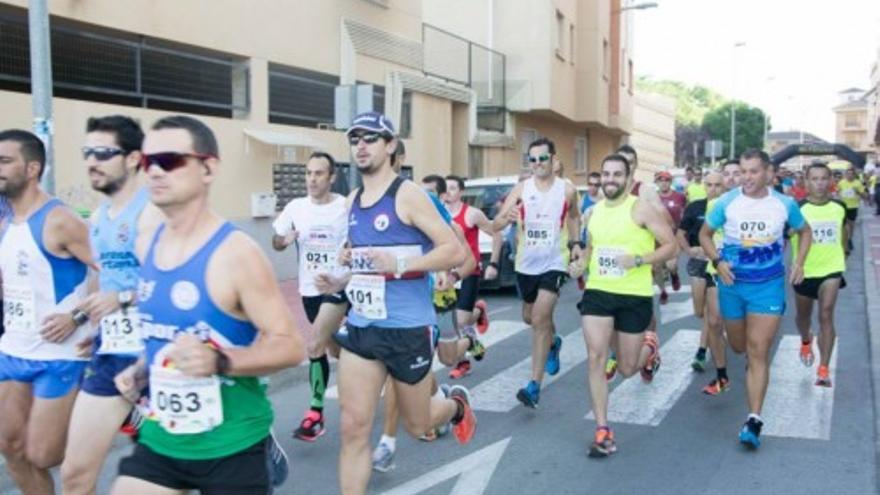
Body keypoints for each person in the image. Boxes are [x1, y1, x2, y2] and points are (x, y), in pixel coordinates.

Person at [110, 115, 305, 494]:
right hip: (161, 437)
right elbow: (168, 331)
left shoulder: (236, 254)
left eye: (169, 160)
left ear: (208, 168)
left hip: (231, 445)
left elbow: (290, 345)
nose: (155, 172)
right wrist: (141, 368)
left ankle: (267, 451)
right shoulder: (145, 242)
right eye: (147, 162)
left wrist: (220, 361)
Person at [328, 112, 476, 494]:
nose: (361, 145)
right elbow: (366, 260)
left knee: (418, 424)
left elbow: (454, 251)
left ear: (390, 145)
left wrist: (402, 263)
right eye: (355, 138)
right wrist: (342, 275)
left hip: (408, 328)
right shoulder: (352, 201)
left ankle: (456, 405)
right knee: (353, 428)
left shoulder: (408, 195)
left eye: (370, 138)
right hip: (363, 326)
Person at [61, 116, 163, 495]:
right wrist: (96, 325)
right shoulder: (99, 217)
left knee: (167, 476)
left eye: (104, 153)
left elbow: (172, 285)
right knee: (73, 473)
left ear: (134, 158)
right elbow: (105, 280)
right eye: (88, 152)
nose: (92, 161)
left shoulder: (152, 211)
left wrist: (119, 299)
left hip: (156, 354)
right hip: (112, 349)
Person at [0, 129, 93, 495]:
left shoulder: (60, 219)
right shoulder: (5, 220)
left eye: (5, 161)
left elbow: (116, 273)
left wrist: (79, 317)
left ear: (33, 168)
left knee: (43, 454)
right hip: (13, 349)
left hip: (60, 355)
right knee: (10, 447)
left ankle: (115, 413)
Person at [699, 148, 811, 449]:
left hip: (768, 288)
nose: (746, 178)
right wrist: (718, 261)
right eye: (743, 171)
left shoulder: (785, 204)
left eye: (753, 171)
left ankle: (753, 420)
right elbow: (705, 234)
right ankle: (748, 365)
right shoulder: (727, 202)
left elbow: (805, 232)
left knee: (758, 350)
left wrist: (799, 262)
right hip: (732, 286)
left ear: (768, 173)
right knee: (739, 347)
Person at [577, 153, 677, 457]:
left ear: (629, 178)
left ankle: (650, 345)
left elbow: (671, 245)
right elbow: (592, 249)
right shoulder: (593, 212)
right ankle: (602, 428)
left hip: (633, 295)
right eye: (605, 174)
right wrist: (580, 262)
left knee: (628, 368)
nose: (609, 180)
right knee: (595, 356)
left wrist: (639, 260)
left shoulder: (641, 209)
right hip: (598, 291)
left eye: (616, 175)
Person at [493, 137, 582, 409]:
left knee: (541, 317)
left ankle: (534, 385)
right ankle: (553, 342)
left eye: (542, 158)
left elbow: (575, 216)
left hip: (554, 262)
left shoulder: (567, 189)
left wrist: (576, 244)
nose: (537, 164)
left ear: (553, 160)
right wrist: (505, 219)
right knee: (530, 317)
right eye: (532, 159)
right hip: (526, 264)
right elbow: (496, 224)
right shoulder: (522, 188)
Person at [272, 151, 350, 442]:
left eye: (318, 173)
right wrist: (284, 240)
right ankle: (367, 369)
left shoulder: (345, 207)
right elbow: (276, 241)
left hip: (338, 287)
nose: (312, 179)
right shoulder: (295, 207)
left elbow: (359, 238)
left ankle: (315, 414)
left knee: (314, 343)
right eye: (308, 173)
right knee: (334, 350)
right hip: (309, 291)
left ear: (331, 177)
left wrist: (349, 254)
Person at [792, 163, 848, 387]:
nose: (820, 183)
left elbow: (844, 235)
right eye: (814, 179)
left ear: (830, 181)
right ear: (806, 182)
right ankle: (806, 340)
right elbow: (786, 235)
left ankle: (823, 369)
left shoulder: (839, 207)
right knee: (803, 317)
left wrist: (842, 258)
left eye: (824, 178)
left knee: (826, 314)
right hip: (805, 271)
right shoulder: (797, 209)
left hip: (831, 269)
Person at [444, 174, 500, 378]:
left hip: (469, 271)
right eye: (445, 189)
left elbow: (497, 232)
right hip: (448, 273)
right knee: (453, 322)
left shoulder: (472, 214)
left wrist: (493, 262)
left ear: (460, 192)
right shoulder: (439, 215)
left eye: (452, 188)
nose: (448, 193)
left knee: (460, 322)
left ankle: (463, 361)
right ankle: (476, 320)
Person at [676, 172, 725, 376]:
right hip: (698, 262)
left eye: (717, 185)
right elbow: (680, 233)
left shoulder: (729, 208)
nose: (713, 189)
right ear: (704, 186)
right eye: (710, 185)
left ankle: (701, 351)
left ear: (724, 187)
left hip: (718, 265)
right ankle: (713, 332)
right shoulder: (695, 207)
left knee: (711, 313)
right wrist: (689, 250)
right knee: (699, 311)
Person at [655, 171, 686, 304]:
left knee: (671, 265)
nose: (664, 183)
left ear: (670, 182)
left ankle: (674, 274)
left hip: (673, 237)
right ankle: (662, 291)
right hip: (657, 237)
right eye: (661, 180)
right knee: (656, 268)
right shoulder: (653, 198)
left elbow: (685, 214)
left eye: (667, 180)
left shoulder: (679, 197)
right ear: (657, 182)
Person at [836, 166, 867, 254]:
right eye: (848, 174)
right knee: (844, 225)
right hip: (843, 206)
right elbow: (837, 192)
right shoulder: (841, 182)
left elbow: (865, 195)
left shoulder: (858, 183)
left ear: (854, 175)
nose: (849, 176)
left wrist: (858, 192)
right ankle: (844, 240)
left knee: (851, 225)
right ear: (845, 175)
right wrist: (838, 196)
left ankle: (849, 239)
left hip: (853, 206)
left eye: (851, 174)